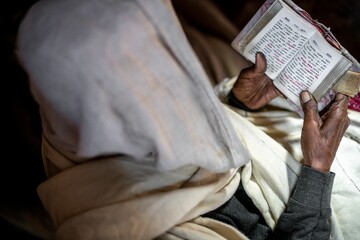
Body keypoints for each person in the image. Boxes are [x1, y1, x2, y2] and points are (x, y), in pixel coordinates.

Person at [16, 0, 358, 239]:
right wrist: (316, 168)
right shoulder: (126, 225)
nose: (171, 82)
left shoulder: (97, 113)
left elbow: (195, 119)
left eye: (165, 62)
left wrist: (238, 102)